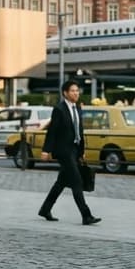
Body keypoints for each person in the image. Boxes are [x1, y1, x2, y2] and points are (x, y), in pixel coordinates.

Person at [38, 80, 100, 225]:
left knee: (61, 182)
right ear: (65, 93)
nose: (76, 93)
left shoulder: (77, 107)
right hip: (63, 150)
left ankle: (45, 209)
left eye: (77, 90)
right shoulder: (59, 109)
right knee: (77, 181)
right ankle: (86, 215)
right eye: (73, 91)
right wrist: (46, 150)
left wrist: (81, 151)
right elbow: (52, 131)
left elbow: (80, 130)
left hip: (74, 149)